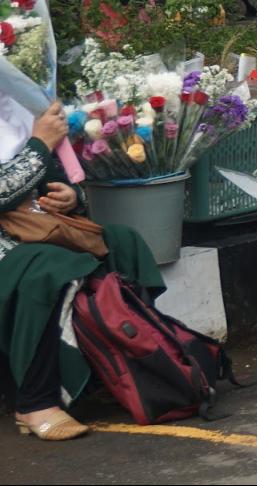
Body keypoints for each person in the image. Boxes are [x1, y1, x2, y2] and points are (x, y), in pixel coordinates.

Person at [0, 98, 163, 441]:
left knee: (121, 242)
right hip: (11, 248)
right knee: (47, 268)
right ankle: (34, 402)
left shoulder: (14, 105)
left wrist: (71, 197)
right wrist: (39, 144)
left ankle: (128, 366)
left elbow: (52, 178)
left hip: (36, 229)